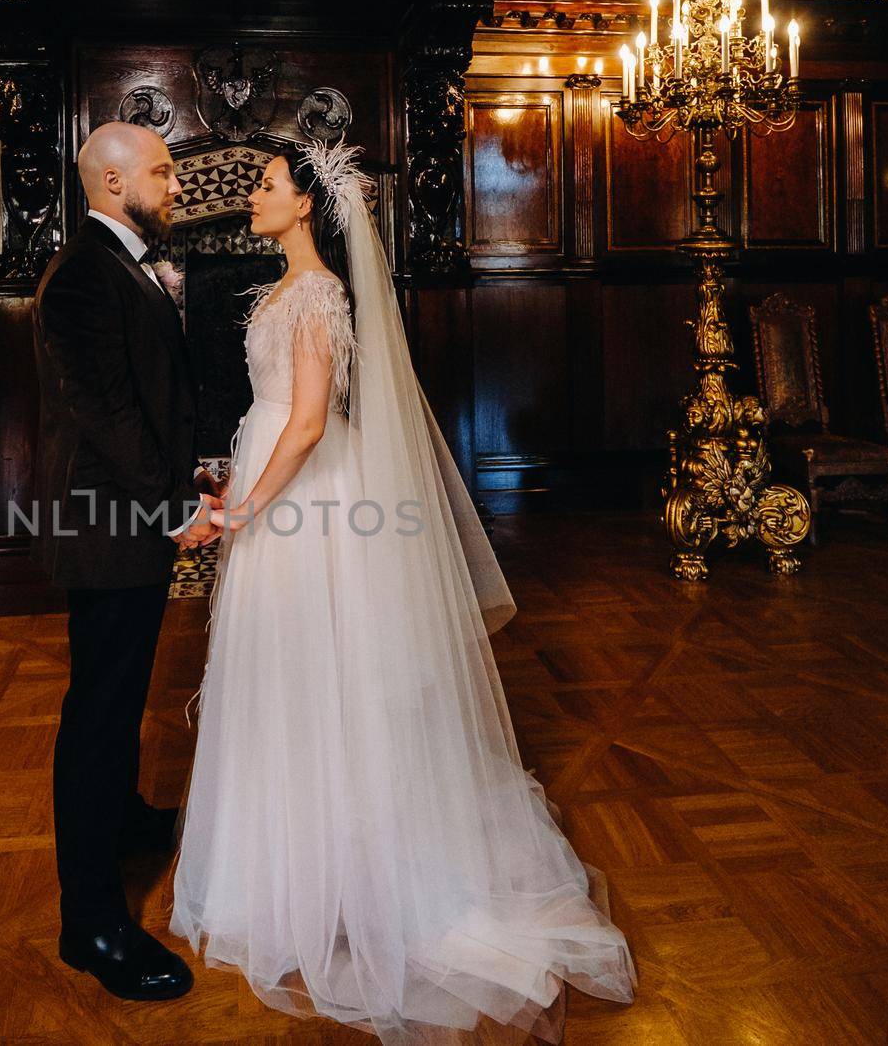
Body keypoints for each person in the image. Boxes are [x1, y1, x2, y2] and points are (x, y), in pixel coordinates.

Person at [169, 140, 637, 1043]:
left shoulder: (315, 294)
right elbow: (275, 415)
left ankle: (345, 868)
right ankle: (283, 858)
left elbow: (308, 422)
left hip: (303, 497)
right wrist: (236, 482)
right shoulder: (278, 292)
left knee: (321, 669)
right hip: (271, 483)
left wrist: (252, 506)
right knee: (286, 671)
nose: (253, 200)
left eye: (266, 188)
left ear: (307, 205)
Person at [31, 120, 222, 1002]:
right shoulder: (81, 277)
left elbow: (152, 395)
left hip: (128, 518)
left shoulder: (124, 265)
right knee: (100, 712)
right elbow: (106, 412)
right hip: (108, 525)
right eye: (161, 171)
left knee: (122, 689)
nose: (175, 184)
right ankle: (92, 924)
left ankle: (127, 815)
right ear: (112, 184)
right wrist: (177, 506)